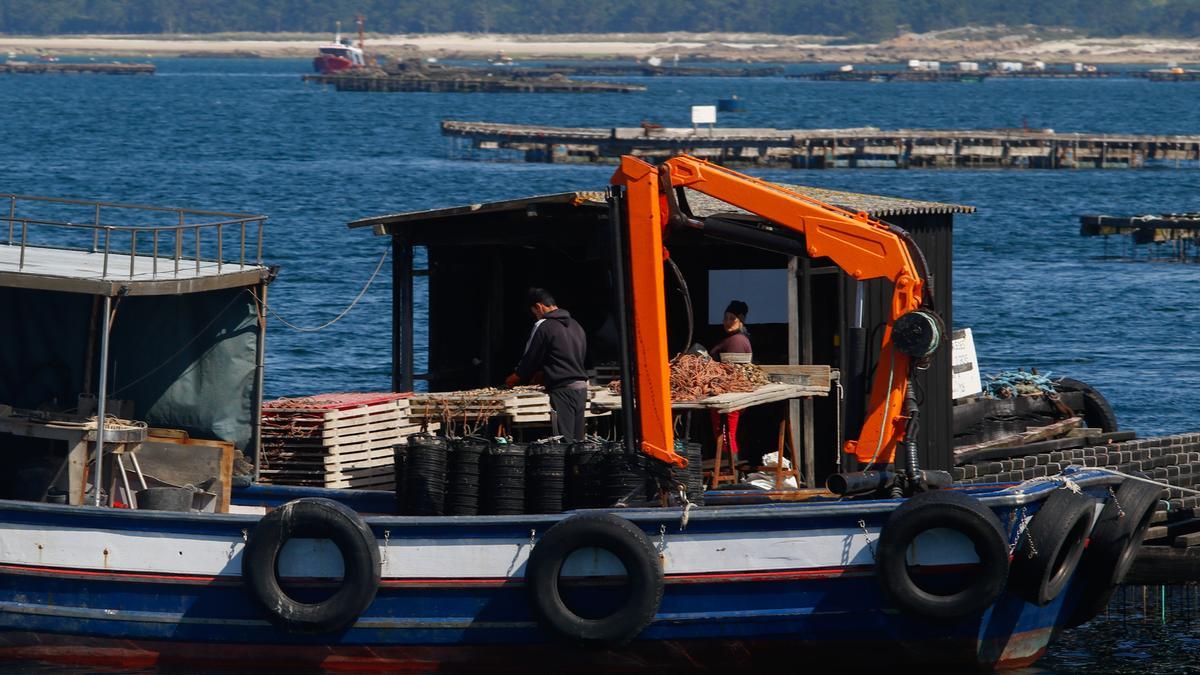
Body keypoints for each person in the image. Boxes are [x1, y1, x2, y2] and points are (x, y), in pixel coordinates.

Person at [505, 288, 589, 441]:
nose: (535, 316)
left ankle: (569, 465)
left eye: (534, 312)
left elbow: (530, 359)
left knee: (565, 441)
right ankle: (581, 465)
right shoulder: (576, 325)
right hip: (582, 388)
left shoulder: (543, 325)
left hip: (563, 390)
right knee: (579, 442)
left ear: (539, 307)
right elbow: (574, 356)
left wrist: (514, 378)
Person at [709, 300, 751, 465]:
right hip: (725, 395)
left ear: (740, 320)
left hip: (729, 395)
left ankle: (730, 471)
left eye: (731, 318)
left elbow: (733, 371)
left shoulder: (737, 341)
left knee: (726, 434)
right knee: (726, 434)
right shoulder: (733, 338)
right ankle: (729, 471)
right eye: (725, 318)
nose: (727, 322)